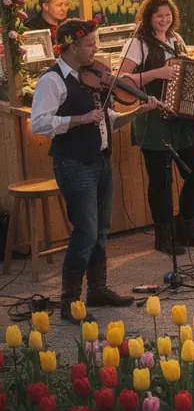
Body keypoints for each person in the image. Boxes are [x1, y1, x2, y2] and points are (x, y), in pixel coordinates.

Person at [29, 19, 161, 320]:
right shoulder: (52, 81)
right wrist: (77, 119)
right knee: (85, 232)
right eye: (90, 44)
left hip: (100, 160)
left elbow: (109, 119)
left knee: (101, 229)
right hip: (73, 163)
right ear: (72, 47)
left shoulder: (94, 77)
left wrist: (137, 111)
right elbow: (38, 123)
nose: (96, 49)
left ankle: (97, 289)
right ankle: (69, 302)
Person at [118, 0, 194, 255]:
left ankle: (186, 228)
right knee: (161, 181)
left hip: (181, 118)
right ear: (148, 18)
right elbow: (122, 79)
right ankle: (163, 236)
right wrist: (156, 73)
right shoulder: (138, 44)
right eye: (158, 15)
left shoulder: (177, 40)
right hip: (153, 118)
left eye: (168, 14)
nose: (164, 19)